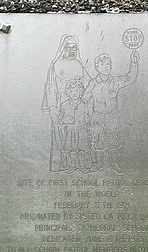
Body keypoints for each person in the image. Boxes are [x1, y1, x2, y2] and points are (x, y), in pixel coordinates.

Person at [82, 50, 139, 174]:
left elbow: (130, 78)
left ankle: (115, 164)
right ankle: (98, 164)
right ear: (97, 67)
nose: (107, 67)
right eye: (103, 64)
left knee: (113, 140)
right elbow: (84, 98)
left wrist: (134, 63)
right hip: (97, 116)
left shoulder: (115, 81)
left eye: (109, 64)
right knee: (98, 140)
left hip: (112, 115)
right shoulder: (93, 83)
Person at [41, 35, 91, 172]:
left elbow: (89, 85)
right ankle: (62, 164)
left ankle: (79, 164)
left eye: (74, 47)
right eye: (68, 47)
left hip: (77, 106)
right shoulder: (55, 66)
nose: (71, 50)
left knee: (79, 136)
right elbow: (50, 88)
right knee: (61, 137)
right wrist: (52, 108)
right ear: (63, 49)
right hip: (60, 105)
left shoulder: (80, 66)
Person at [58, 80, 102, 174]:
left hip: (82, 131)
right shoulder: (64, 105)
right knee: (72, 150)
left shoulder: (85, 104)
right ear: (68, 92)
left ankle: (82, 166)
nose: (74, 93)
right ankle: (73, 166)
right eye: (72, 91)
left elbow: (89, 116)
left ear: (81, 92)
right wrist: (63, 120)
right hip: (70, 131)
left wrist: (88, 125)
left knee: (82, 149)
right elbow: (60, 118)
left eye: (77, 91)